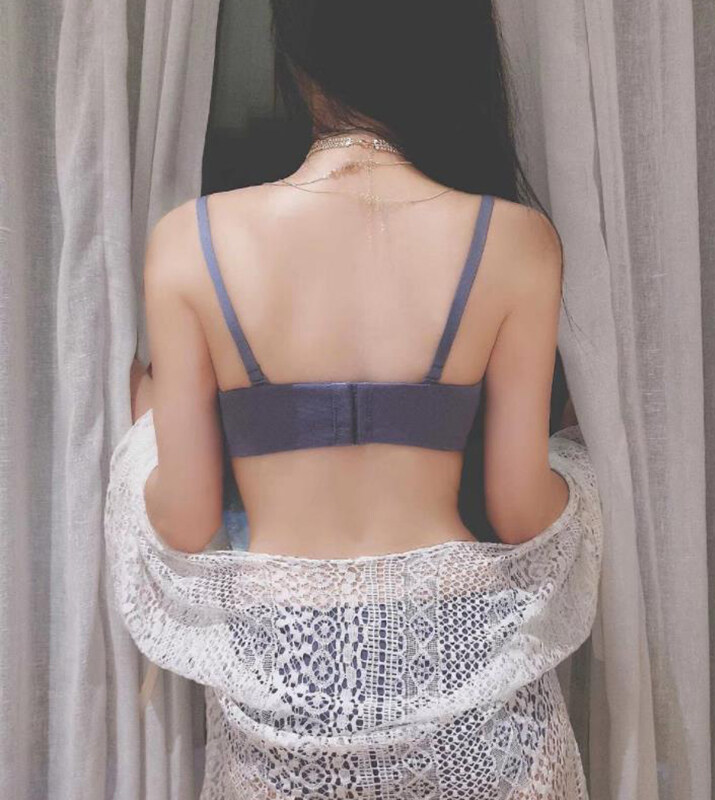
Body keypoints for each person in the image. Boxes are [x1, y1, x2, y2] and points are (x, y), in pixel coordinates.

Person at [106, 2, 604, 798]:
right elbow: (520, 512)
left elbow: (185, 521)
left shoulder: (189, 242)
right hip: (467, 675)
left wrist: (142, 429)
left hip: (285, 685)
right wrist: (584, 467)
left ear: (295, 52)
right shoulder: (513, 240)